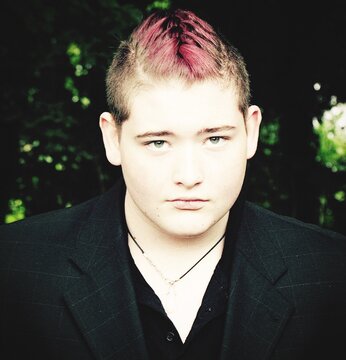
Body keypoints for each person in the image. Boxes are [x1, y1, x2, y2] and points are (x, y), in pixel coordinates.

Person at [1, 8, 346, 360]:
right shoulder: (14, 269)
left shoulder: (332, 272)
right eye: (158, 142)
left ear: (250, 132)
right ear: (113, 139)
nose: (189, 174)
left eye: (214, 139)